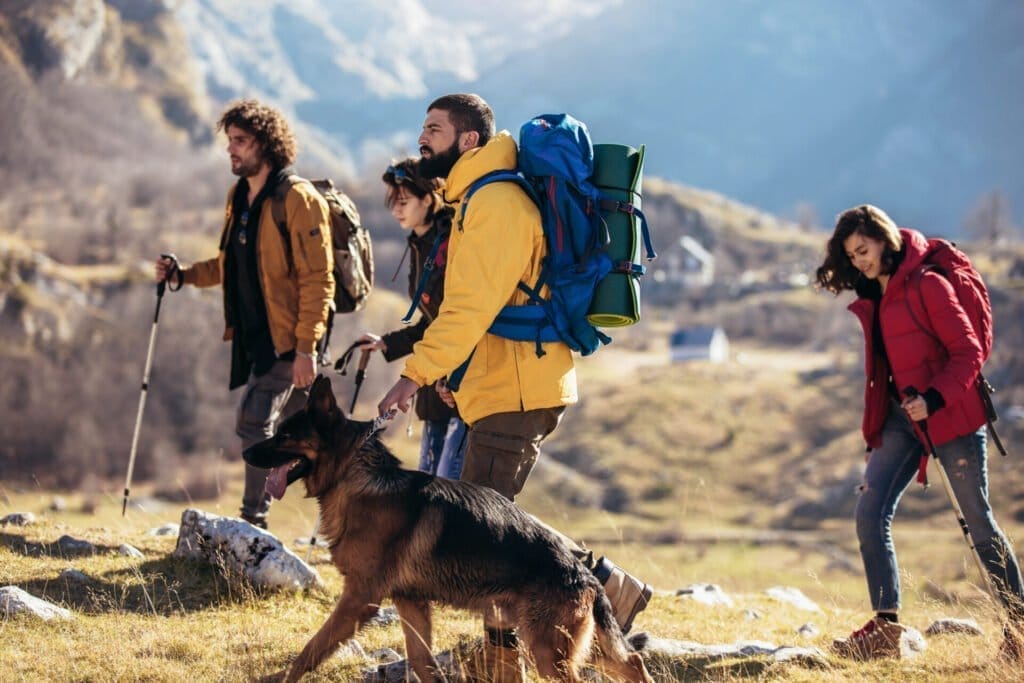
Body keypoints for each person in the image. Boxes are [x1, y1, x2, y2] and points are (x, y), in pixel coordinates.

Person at [377, 93, 650, 681]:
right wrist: (455, 375)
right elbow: (484, 308)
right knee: (493, 536)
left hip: (519, 389)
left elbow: (469, 309)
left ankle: (542, 637)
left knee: (485, 545)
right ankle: (570, 618)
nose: (422, 139)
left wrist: (412, 376)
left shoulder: (496, 202)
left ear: (468, 140)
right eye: (422, 127)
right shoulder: (477, 197)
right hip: (503, 383)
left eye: (434, 129)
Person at [816, 204, 1024, 660]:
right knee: (870, 512)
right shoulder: (875, 291)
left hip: (951, 415)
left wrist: (932, 399)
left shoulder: (928, 284)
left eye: (864, 250)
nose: (859, 261)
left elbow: (968, 352)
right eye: (851, 256)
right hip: (900, 418)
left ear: (885, 240)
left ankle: (1020, 630)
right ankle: (886, 630)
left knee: (979, 523)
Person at [154, 99, 334, 530]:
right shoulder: (240, 197)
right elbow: (229, 265)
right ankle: (348, 517)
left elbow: (318, 280)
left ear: (266, 145)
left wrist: (306, 349)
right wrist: (183, 276)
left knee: (254, 421)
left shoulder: (297, 199)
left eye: (240, 141)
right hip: (257, 342)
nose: (231, 150)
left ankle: (253, 523)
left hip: (290, 343)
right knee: (320, 440)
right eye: (229, 141)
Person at [353, 157, 466, 479]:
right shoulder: (421, 243)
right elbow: (431, 322)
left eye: (403, 201)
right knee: (430, 482)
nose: (396, 210)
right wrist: (386, 343)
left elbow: (454, 318)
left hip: (456, 383)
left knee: (447, 487)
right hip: (435, 382)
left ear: (428, 199)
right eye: (393, 202)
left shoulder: (447, 244)